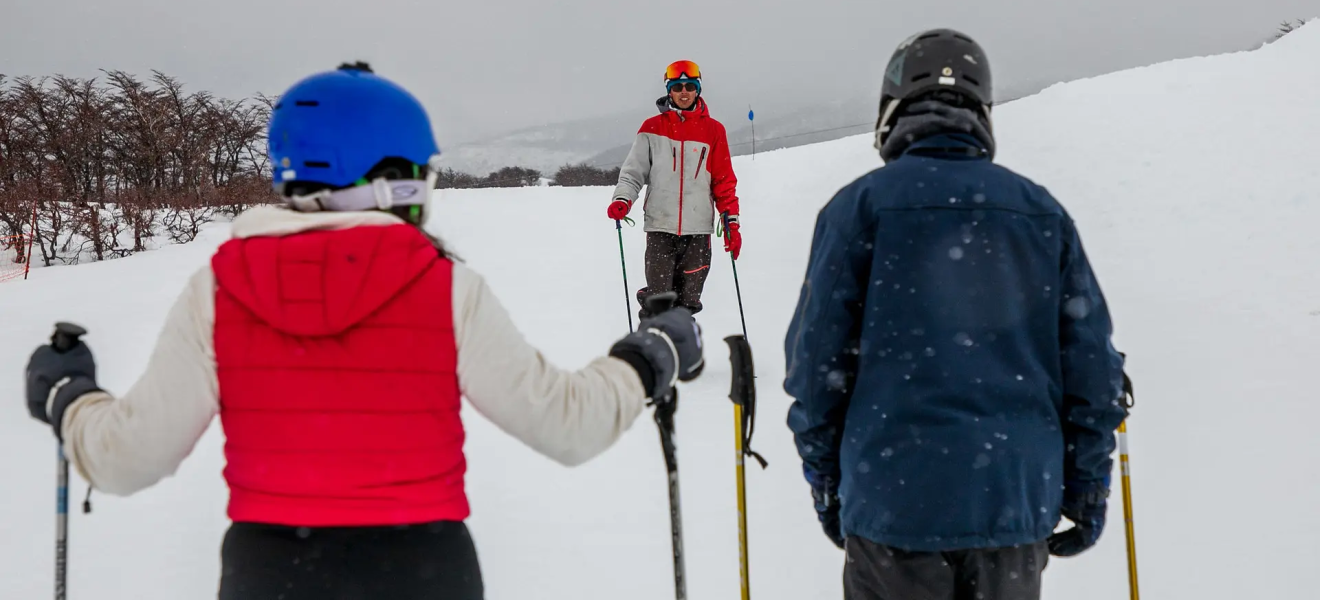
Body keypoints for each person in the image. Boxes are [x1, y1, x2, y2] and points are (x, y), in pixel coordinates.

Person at [23, 62, 705, 600]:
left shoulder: (221, 290)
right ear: (393, 178)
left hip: (271, 578)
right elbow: (568, 424)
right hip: (424, 573)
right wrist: (654, 352)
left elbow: (126, 458)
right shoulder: (443, 286)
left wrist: (68, 398)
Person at [783, 30, 1128, 600]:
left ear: (892, 110)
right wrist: (1088, 483)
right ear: (982, 112)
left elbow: (817, 367)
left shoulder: (859, 209)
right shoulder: (1040, 213)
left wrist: (826, 480)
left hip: (894, 504)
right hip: (1013, 503)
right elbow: (1092, 370)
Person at [608, 59, 741, 320]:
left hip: (698, 232)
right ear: (669, 90)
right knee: (658, 300)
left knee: (688, 302)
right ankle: (652, 353)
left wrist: (731, 223)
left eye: (689, 86)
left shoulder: (714, 131)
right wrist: (623, 198)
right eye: (677, 86)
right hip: (660, 228)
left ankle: (683, 354)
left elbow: (724, 182)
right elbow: (633, 172)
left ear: (697, 90)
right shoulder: (651, 128)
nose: (683, 92)